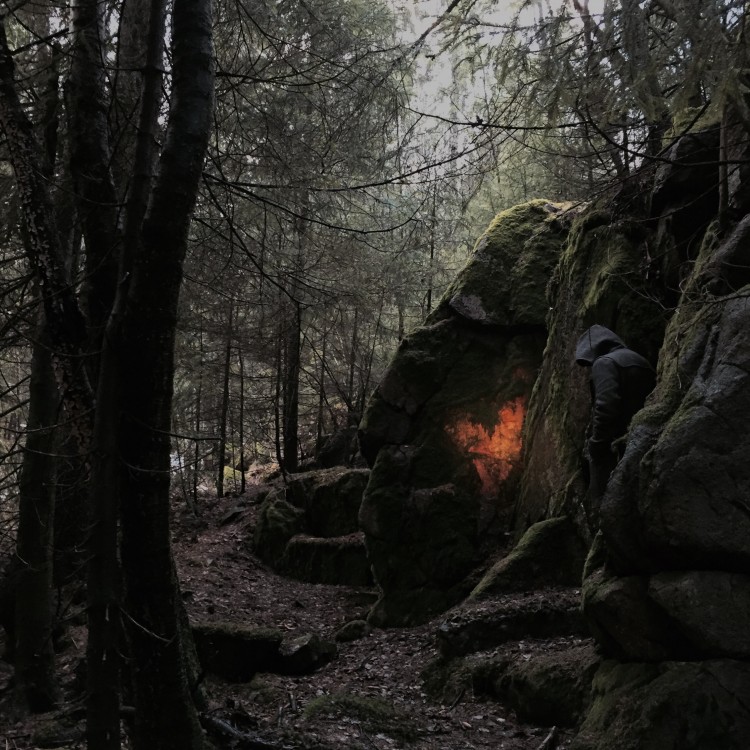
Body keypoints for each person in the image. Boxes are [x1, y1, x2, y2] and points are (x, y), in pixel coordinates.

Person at [574, 324, 655, 530]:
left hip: (615, 445)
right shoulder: (640, 360)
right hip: (642, 439)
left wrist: (597, 443)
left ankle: (604, 542)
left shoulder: (604, 363)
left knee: (604, 506)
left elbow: (606, 405)